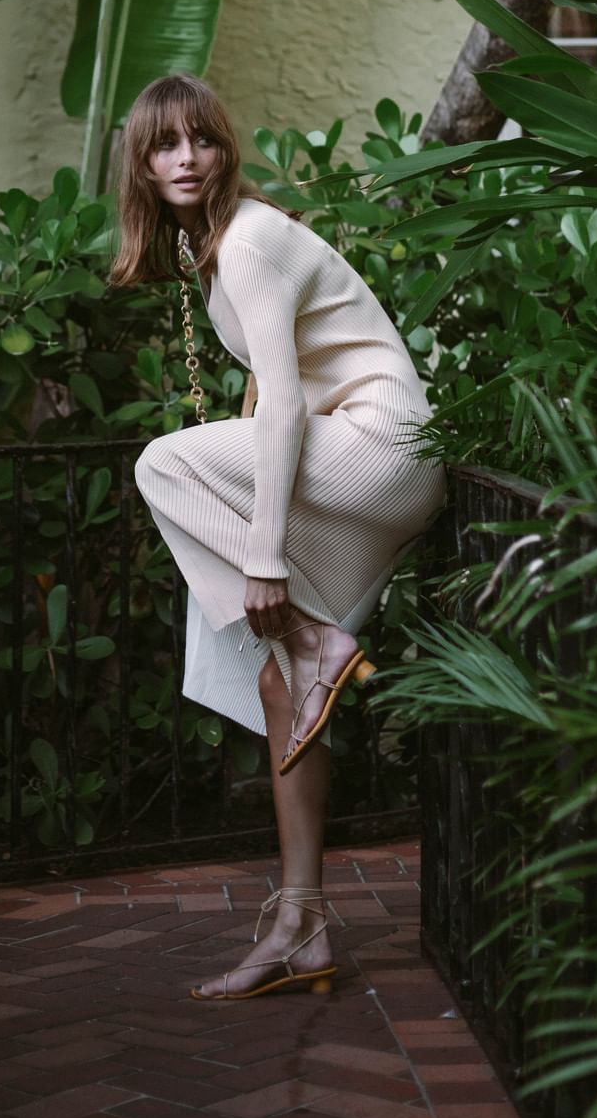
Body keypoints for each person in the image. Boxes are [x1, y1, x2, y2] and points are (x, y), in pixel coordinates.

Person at [113, 73, 446, 1001]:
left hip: (372, 451)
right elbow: (273, 387)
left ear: (225, 149)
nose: (185, 158)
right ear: (140, 163)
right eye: (163, 145)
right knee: (277, 681)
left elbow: (288, 401)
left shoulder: (250, 241)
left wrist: (260, 554)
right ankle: (301, 923)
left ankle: (312, 636)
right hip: (369, 465)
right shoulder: (213, 252)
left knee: (160, 465)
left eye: (201, 140)